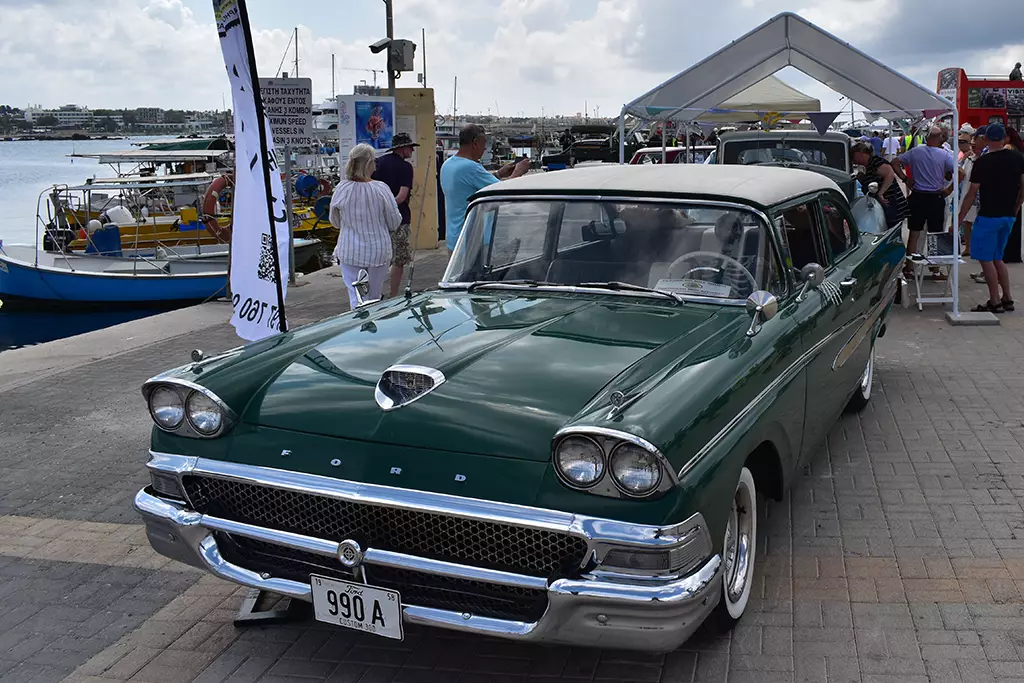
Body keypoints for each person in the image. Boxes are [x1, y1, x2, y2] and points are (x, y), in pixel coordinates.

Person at [957, 123, 1024, 313]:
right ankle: (1007, 298)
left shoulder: (983, 162)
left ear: (986, 139)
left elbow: (971, 193)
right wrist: (1017, 206)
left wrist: (960, 217)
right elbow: (1023, 186)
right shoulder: (1017, 157)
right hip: (1008, 215)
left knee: (986, 259)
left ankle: (994, 300)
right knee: (998, 258)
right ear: (1004, 138)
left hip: (988, 216)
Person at [330, 143, 402, 310]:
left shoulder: (341, 188)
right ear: (369, 163)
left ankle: (359, 327)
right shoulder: (381, 189)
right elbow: (394, 223)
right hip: (378, 251)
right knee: (374, 297)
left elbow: (335, 222)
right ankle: (372, 328)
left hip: (350, 251)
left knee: (356, 296)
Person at [440, 124, 530, 253]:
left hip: (454, 238)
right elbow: (503, 191)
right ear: (475, 143)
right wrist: (518, 172)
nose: (484, 150)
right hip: (471, 240)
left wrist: (499, 174)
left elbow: (471, 187)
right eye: (483, 145)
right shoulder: (471, 167)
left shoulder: (448, 165)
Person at [891, 126, 962, 263]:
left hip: (917, 195)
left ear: (926, 137)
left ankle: (910, 267)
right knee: (935, 234)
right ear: (940, 138)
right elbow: (961, 173)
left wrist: (905, 179)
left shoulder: (915, 152)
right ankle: (935, 269)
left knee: (914, 233)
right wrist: (949, 190)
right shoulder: (945, 155)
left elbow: (895, 162)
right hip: (936, 197)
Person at [371, 132, 418, 296]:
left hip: (378, 219)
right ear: (403, 148)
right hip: (400, 218)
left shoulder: (378, 163)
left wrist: (380, 208)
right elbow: (402, 195)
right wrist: (390, 207)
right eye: (410, 147)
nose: (412, 151)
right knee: (399, 259)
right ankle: (393, 294)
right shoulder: (406, 167)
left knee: (380, 257)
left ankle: (376, 293)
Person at [851, 141, 908, 230]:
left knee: (892, 229)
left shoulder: (876, 162)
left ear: (861, 154)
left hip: (890, 201)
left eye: (853, 156)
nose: (852, 159)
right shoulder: (866, 166)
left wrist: (881, 193)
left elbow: (889, 173)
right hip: (880, 204)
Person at [957, 130, 980, 257]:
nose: (961, 144)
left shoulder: (974, 157)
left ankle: (973, 247)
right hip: (963, 192)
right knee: (966, 222)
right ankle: (968, 247)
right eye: (959, 141)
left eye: (964, 141)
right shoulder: (964, 156)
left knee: (973, 222)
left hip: (974, 195)